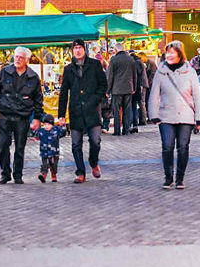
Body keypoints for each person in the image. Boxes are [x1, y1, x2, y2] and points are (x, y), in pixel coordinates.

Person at [147, 41, 200, 189]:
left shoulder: (190, 72)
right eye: (168, 52)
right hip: (166, 115)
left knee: (183, 147)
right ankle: (168, 177)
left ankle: (180, 178)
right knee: (167, 146)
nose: (170, 55)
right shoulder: (161, 72)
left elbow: (197, 95)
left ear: (180, 54)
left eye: (173, 52)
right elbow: (154, 94)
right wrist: (153, 114)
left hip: (185, 115)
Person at [0, 46, 44, 185]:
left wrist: (37, 117)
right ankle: (5, 173)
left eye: (21, 57)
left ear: (27, 59)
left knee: (20, 147)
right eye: (16, 56)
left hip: (22, 117)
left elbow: (38, 99)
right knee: (3, 145)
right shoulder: (4, 72)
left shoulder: (33, 77)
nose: (17, 59)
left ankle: (18, 174)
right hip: (5, 115)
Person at [59, 38, 105, 182]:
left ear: (84, 49)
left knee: (95, 140)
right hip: (76, 110)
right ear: (72, 51)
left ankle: (93, 162)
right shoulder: (68, 69)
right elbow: (63, 92)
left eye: (80, 48)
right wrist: (61, 114)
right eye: (75, 48)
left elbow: (103, 85)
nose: (77, 50)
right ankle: (80, 172)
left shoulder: (95, 65)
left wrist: (95, 99)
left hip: (92, 109)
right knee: (75, 143)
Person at [106, 45, 139, 136]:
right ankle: (126, 130)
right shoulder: (131, 59)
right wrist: (134, 88)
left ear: (116, 50)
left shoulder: (114, 60)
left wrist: (107, 91)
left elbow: (110, 76)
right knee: (127, 110)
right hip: (128, 88)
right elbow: (134, 75)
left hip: (116, 89)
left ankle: (117, 131)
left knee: (116, 110)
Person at [33, 114, 67, 183]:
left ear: (52, 124)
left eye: (48, 124)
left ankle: (53, 174)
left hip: (54, 153)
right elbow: (36, 134)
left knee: (54, 165)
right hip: (44, 152)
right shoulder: (42, 131)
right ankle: (43, 175)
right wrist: (33, 128)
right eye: (45, 124)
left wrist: (63, 126)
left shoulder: (56, 130)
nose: (46, 126)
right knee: (44, 165)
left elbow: (63, 133)